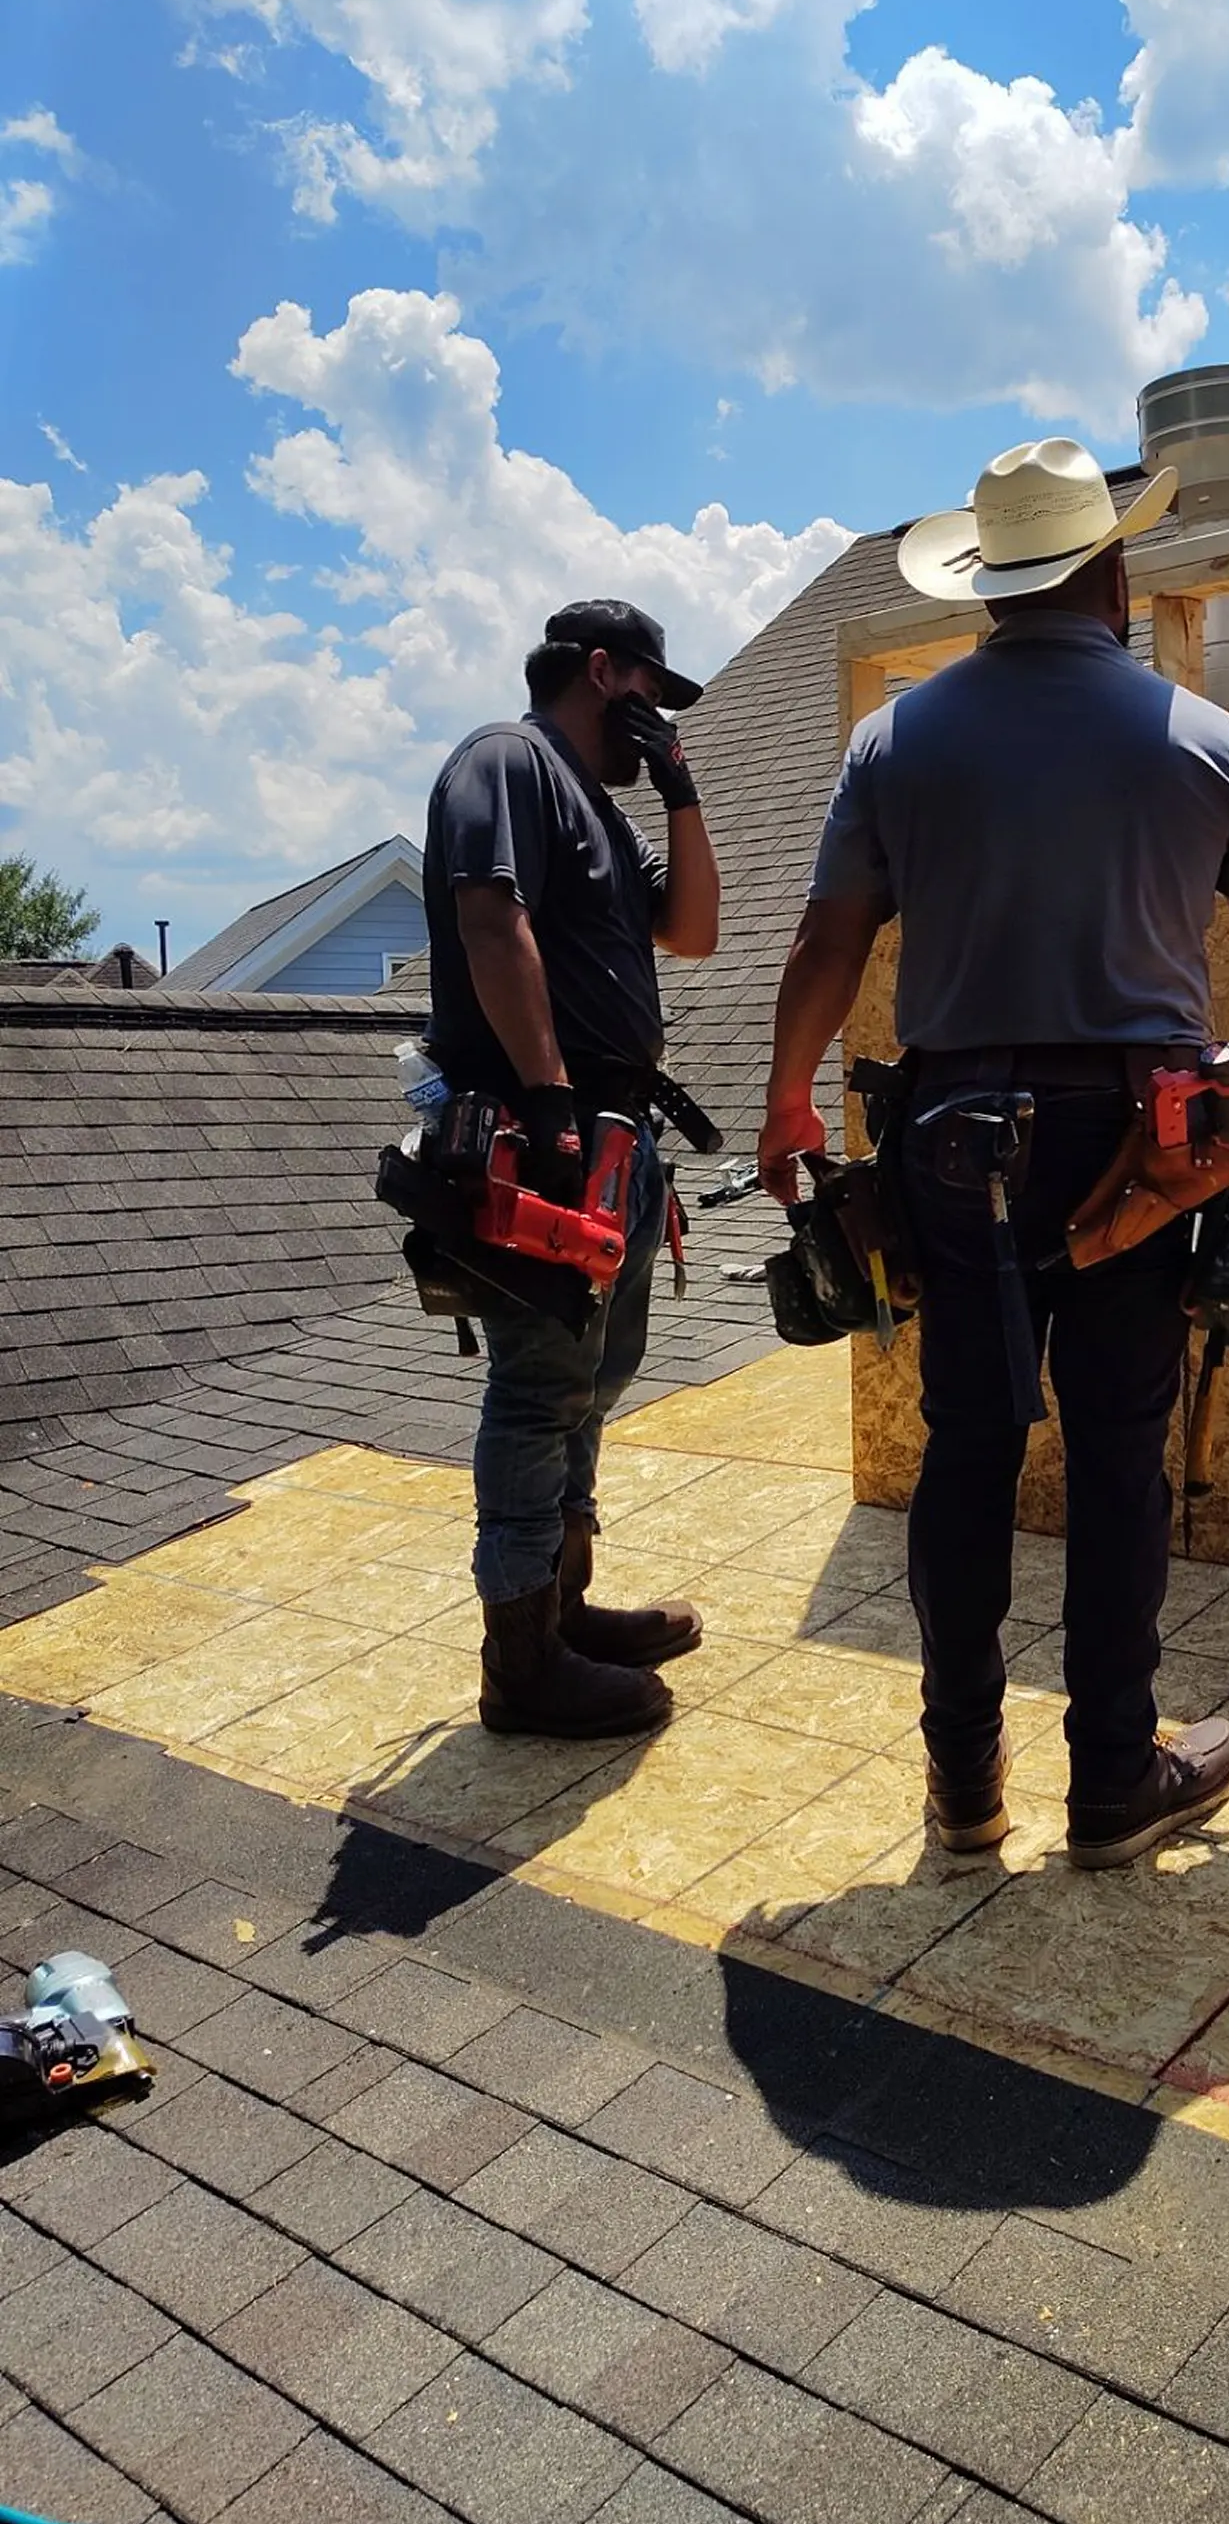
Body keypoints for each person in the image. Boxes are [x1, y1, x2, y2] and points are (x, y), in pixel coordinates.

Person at [759, 438, 1229, 1868]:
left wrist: (789, 1096)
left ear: (987, 588)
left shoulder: (895, 742)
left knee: (968, 1447)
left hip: (952, 1139)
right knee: (1114, 1451)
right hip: (1135, 1155)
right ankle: (1111, 1774)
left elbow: (829, 938)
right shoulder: (1195, 736)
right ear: (1114, 572)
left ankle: (963, 1786)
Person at [422, 597, 721, 1739]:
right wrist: (548, 1097)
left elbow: (691, 930)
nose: (659, 719)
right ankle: (522, 1665)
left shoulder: (600, 808)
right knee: (540, 1386)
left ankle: (562, 1605)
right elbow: (489, 920)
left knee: (591, 1382)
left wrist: (681, 787)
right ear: (602, 672)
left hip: (616, 1140)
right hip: (543, 1130)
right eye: (651, 693)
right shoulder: (507, 761)